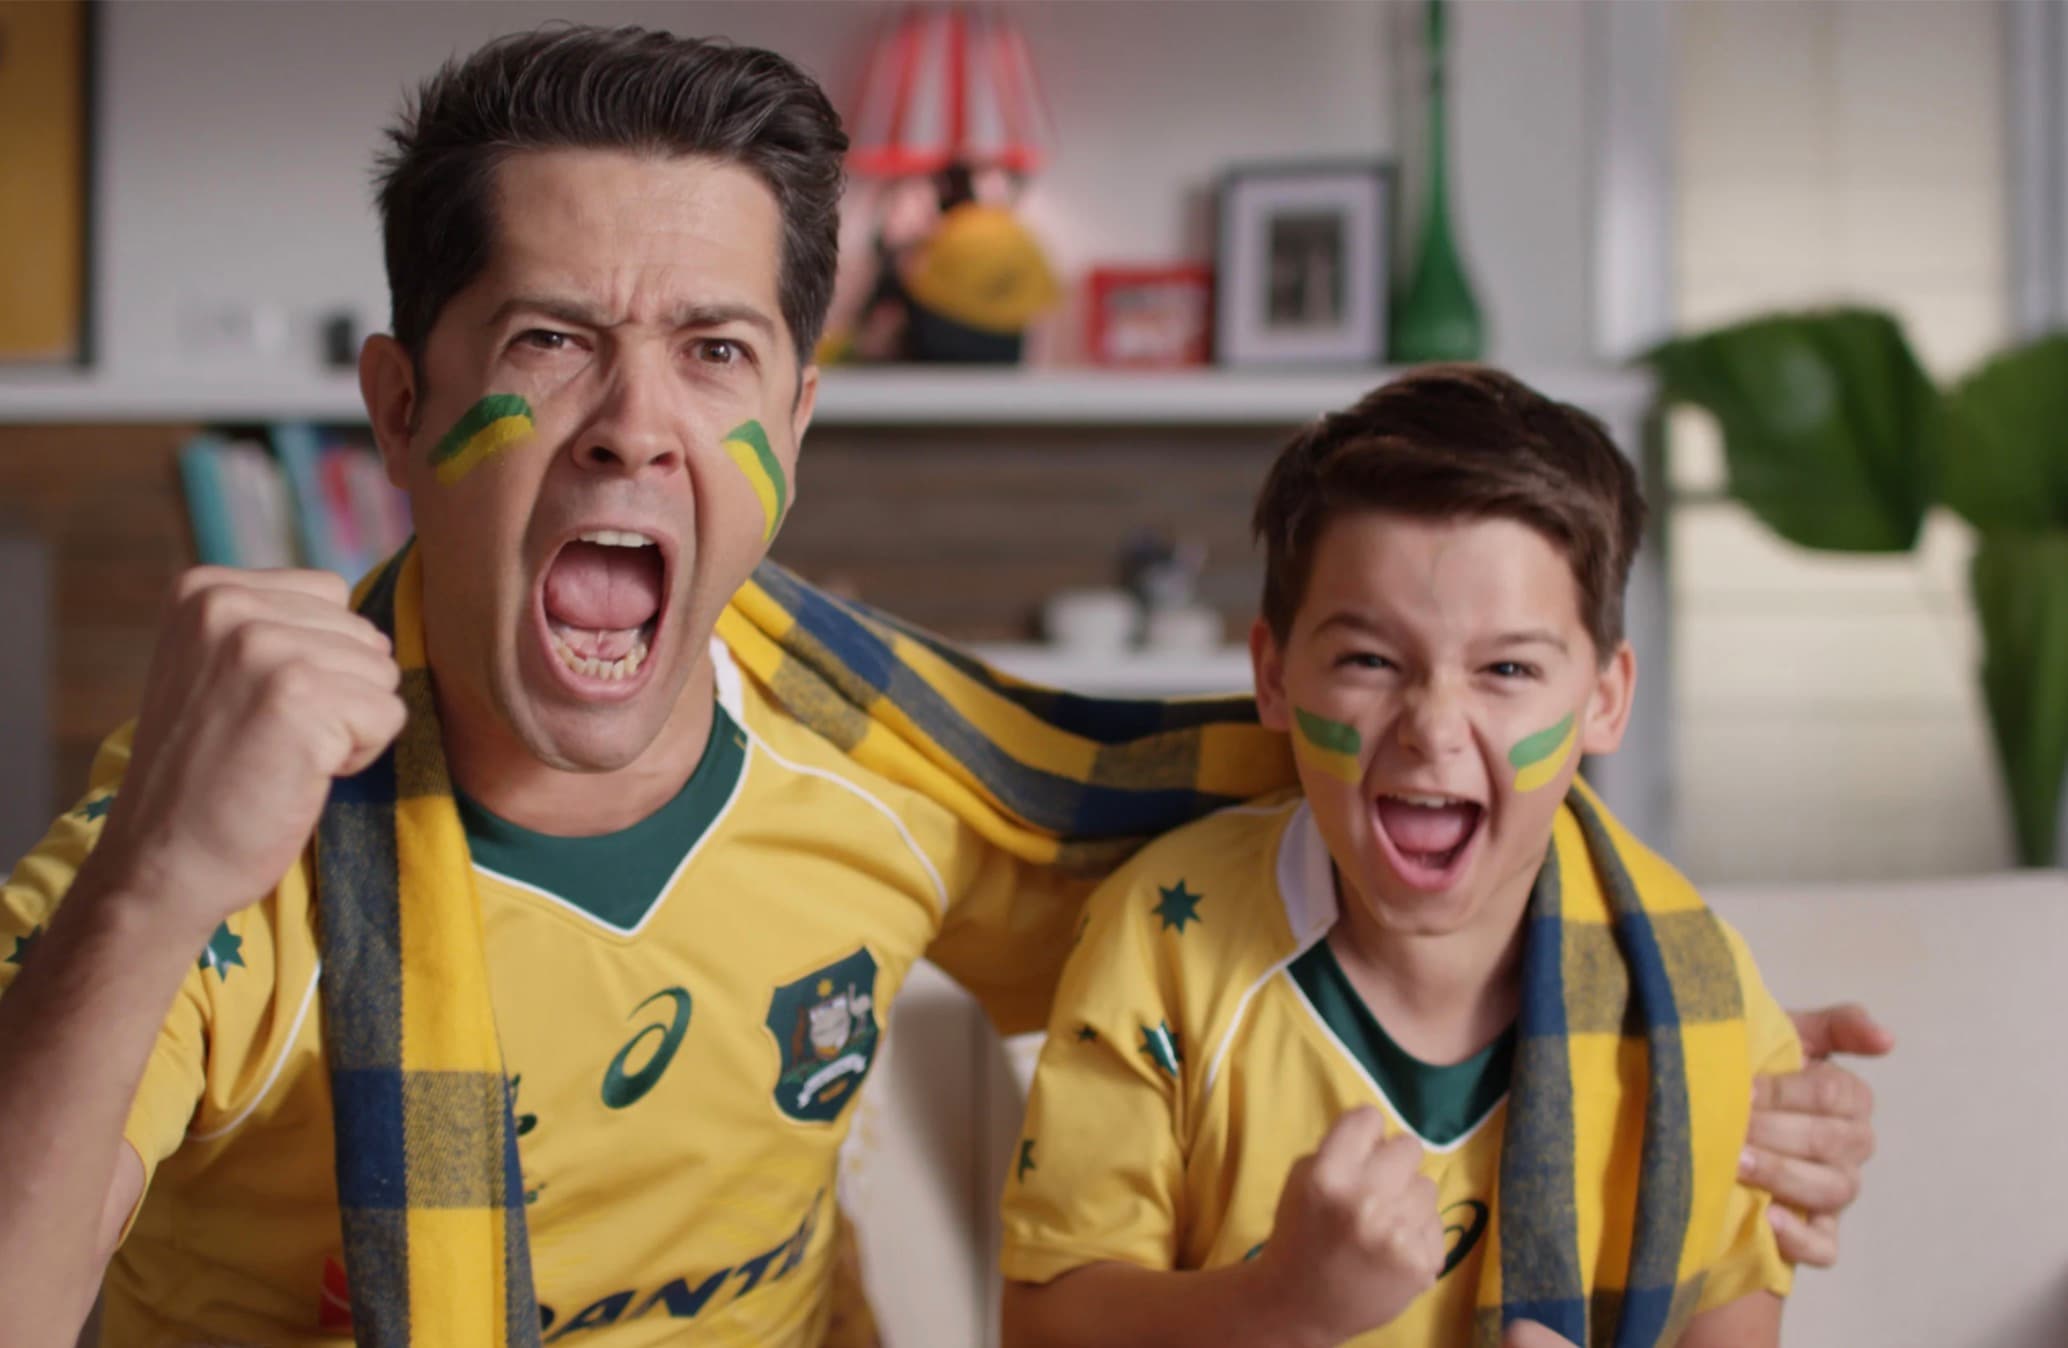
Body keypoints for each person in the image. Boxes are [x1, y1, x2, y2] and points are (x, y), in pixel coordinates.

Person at [0, 26, 1885, 1348]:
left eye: (715, 352)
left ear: (797, 420)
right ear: (403, 408)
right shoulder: (213, 831)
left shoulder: (896, 760)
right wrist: (156, 880)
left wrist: (1671, 1049)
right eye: (554, 342)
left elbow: (1379, 856)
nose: (636, 429)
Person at [999, 367, 1837, 1347]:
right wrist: (1281, 1303)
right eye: (1369, 660)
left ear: (1603, 701)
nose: (1433, 728)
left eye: (1508, 668)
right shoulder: (1163, 939)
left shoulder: (1698, 1000)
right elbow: (1040, 1326)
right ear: (1274, 676)